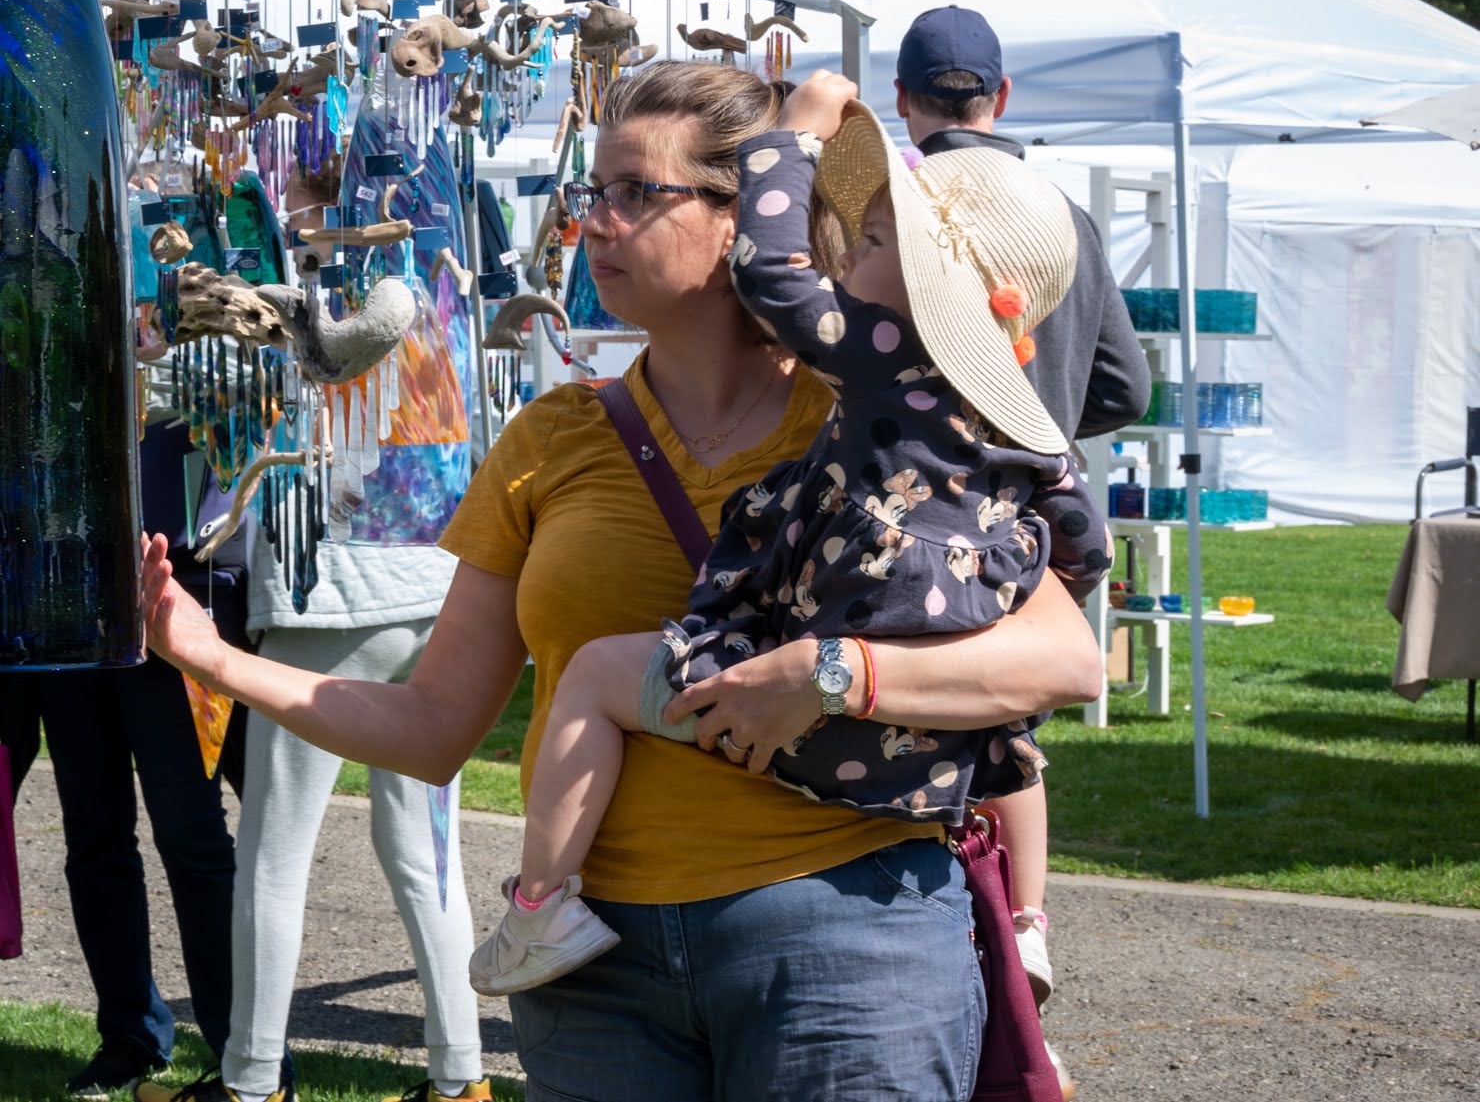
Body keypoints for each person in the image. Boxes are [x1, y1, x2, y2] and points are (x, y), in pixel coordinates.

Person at [136, 61, 1105, 1099]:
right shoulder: (553, 436)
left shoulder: (868, 422)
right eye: (591, 193)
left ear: (742, 219)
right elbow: (432, 725)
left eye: (636, 194)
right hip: (592, 973)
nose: (592, 224)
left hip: (844, 942)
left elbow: (1060, 656)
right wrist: (212, 657)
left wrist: (828, 674)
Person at [467, 100, 1110, 996]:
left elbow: (774, 269)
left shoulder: (886, 359)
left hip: (782, 710)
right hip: (913, 755)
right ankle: (1029, 917)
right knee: (1016, 740)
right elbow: (1081, 541)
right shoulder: (1017, 423)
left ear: (937, 289)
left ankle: (538, 907)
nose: (849, 256)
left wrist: (793, 138)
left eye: (878, 241)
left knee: (594, 676)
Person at [138, 164, 489, 1102]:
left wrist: (270, 314)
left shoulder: (394, 289)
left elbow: (334, 351)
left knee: (276, 848)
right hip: (428, 589)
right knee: (421, 849)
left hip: (336, 597)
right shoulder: (447, 299)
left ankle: (253, 1080)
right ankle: (461, 1079)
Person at [894, 4, 1150, 1018]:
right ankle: (1020, 924)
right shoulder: (1060, 215)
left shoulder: (903, 207)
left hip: (919, 508)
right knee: (1001, 719)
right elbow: (1126, 387)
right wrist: (1036, 414)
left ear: (903, 103)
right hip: (1043, 515)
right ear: (1000, 98)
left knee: (914, 726)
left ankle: (962, 951)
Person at [0, 413, 245, 1100]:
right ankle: (130, 1031)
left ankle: (243, 1054)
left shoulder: (180, 325)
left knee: (191, 835)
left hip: (172, 583)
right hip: (63, 587)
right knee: (95, 833)